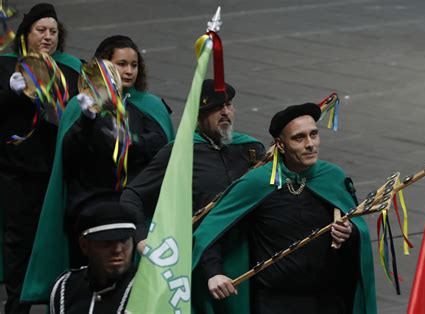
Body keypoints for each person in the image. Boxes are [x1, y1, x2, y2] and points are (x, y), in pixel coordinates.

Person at [21, 35, 174, 303]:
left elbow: (160, 148)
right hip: (90, 210)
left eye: (134, 65)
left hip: (135, 212)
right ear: (103, 67)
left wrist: (120, 138)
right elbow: (69, 156)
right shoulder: (80, 107)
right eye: (121, 64)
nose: (129, 71)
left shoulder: (151, 106)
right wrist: (88, 123)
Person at [191, 103, 377, 314]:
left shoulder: (333, 177)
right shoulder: (257, 182)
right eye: (299, 138)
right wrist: (214, 272)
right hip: (276, 302)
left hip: (329, 300)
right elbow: (212, 230)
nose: (310, 144)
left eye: (314, 135)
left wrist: (349, 233)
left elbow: (356, 230)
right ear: (280, 144)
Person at [0, 3, 81, 313]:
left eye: (53, 32)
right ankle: (17, 304)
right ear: (27, 34)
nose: (48, 37)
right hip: (17, 173)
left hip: (60, 173)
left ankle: (60, 302)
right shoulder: (6, 67)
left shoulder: (71, 68)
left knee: (59, 241)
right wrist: (10, 92)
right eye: (41, 30)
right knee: (19, 244)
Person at [121, 79, 265, 223]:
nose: (225, 112)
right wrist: (140, 237)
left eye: (228, 105)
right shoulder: (179, 152)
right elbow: (132, 196)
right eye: (217, 107)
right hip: (200, 241)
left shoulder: (250, 148)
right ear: (199, 114)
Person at [49, 201, 138, 313]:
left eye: (124, 240)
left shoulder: (147, 288)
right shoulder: (65, 287)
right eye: (107, 242)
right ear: (84, 246)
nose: (118, 250)